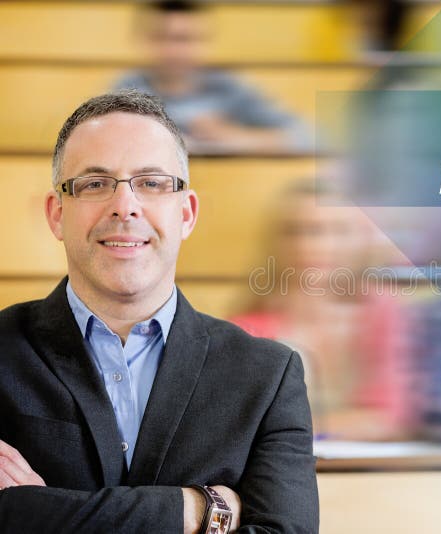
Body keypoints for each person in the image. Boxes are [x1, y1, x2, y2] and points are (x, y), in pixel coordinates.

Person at [0, 90, 318, 533]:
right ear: (57, 214)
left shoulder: (267, 376)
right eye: (95, 183)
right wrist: (197, 511)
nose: (125, 205)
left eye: (151, 183)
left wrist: (40, 513)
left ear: (186, 213)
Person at [230, 181, 415, 442]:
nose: (313, 245)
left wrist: (296, 429)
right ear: (276, 242)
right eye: (297, 231)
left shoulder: (384, 313)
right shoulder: (245, 331)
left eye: (336, 231)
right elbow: (241, 427)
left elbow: (392, 419)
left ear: (360, 241)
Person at [114, 0, 312, 155]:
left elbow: (304, 138)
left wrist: (233, 137)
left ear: (205, 41)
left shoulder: (231, 88)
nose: (173, 50)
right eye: (161, 37)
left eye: (185, 39)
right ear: (143, 40)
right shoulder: (127, 88)